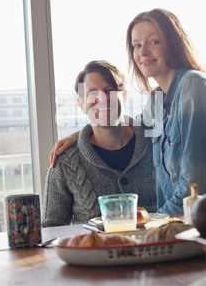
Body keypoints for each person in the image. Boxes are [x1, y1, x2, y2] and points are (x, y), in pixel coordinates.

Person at [50, 9, 206, 215]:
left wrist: (152, 226)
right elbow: (126, 126)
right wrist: (81, 135)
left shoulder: (194, 88)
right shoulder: (157, 101)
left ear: (173, 43)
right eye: (137, 45)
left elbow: (193, 191)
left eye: (154, 42)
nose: (142, 52)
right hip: (185, 227)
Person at [42, 60, 156, 227]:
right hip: (92, 252)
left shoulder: (156, 144)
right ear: (81, 104)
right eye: (92, 93)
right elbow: (51, 228)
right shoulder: (65, 162)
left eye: (109, 90)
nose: (102, 99)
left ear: (123, 97)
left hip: (156, 250)